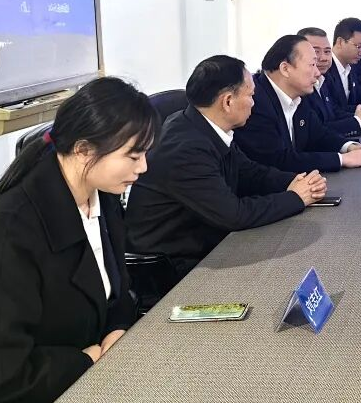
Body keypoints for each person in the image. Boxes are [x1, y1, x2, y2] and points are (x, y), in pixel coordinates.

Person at [0, 77, 159, 403]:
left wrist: (118, 330)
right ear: (84, 150)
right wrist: (87, 360)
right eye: (133, 155)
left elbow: (114, 289)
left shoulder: (101, 196)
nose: (144, 167)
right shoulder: (8, 232)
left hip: (87, 387)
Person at [125, 55, 327, 279]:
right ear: (228, 101)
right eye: (250, 95)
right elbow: (234, 215)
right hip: (172, 268)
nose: (254, 103)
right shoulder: (186, 149)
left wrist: (294, 181)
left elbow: (248, 171)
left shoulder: (203, 126)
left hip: (205, 241)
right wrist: (295, 197)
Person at [234, 35, 361, 173]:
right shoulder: (254, 102)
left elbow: (318, 134)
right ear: (285, 69)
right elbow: (278, 160)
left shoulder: (298, 95)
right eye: (312, 65)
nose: (317, 73)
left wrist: (349, 147)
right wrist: (342, 159)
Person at [297, 26, 361, 139]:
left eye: (327, 51)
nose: (324, 58)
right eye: (316, 52)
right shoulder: (299, 88)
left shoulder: (322, 79)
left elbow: (333, 112)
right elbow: (314, 131)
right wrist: (357, 121)